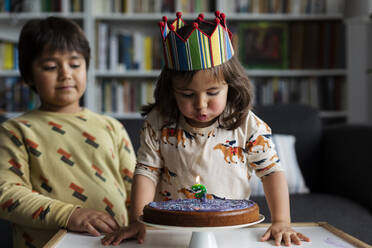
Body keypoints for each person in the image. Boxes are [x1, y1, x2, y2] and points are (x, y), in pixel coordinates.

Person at [102, 11, 310, 247]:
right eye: (187, 94)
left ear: (231, 86)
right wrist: (139, 220)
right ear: (171, 90)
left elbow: (271, 172)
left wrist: (282, 220)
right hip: (172, 231)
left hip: (231, 231)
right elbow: (146, 172)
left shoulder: (248, 125)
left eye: (212, 93)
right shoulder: (157, 123)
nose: (201, 104)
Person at [0, 17, 136, 248]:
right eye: (51, 67)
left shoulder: (112, 127)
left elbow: (135, 188)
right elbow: (6, 194)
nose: (66, 74)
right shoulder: (16, 131)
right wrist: (70, 214)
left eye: (75, 64)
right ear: (29, 75)